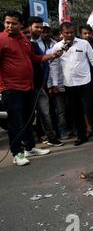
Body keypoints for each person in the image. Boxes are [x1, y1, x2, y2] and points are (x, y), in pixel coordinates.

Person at [0, 11, 61, 166]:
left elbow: (34, 59)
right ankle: (17, 153)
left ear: (20, 25)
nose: (10, 26)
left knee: (28, 119)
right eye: (7, 22)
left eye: (14, 23)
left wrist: (52, 55)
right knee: (16, 121)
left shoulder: (25, 40)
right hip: (11, 88)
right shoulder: (1, 39)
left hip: (28, 86)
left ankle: (30, 147)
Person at [50, 22, 93, 147]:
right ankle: (81, 136)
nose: (69, 35)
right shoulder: (57, 47)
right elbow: (54, 66)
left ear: (75, 32)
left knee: (89, 109)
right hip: (69, 84)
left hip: (85, 82)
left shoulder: (84, 43)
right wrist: (55, 83)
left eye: (72, 32)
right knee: (75, 111)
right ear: (61, 33)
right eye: (66, 33)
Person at [28, 17, 63, 147]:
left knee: (46, 113)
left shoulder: (42, 43)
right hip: (26, 85)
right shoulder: (24, 41)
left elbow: (45, 62)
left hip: (40, 84)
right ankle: (29, 143)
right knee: (29, 116)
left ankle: (51, 137)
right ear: (29, 27)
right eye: (36, 27)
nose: (39, 30)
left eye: (41, 28)